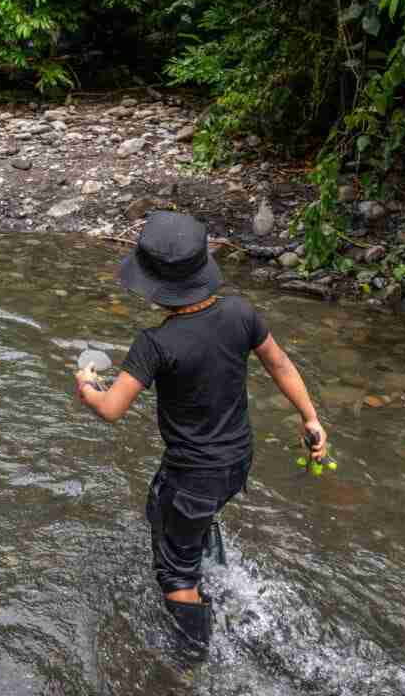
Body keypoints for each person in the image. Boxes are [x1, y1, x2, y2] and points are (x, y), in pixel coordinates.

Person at [74, 210, 327, 652]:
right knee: (180, 515)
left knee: (174, 571)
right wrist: (311, 418)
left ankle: (191, 657)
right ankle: (205, 557)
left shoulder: (155, 344)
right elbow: (280, 364)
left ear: (154, 286)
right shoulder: (241, 312)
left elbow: (111, 408)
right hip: (236, 463)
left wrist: (86, 384)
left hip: (191, 476)